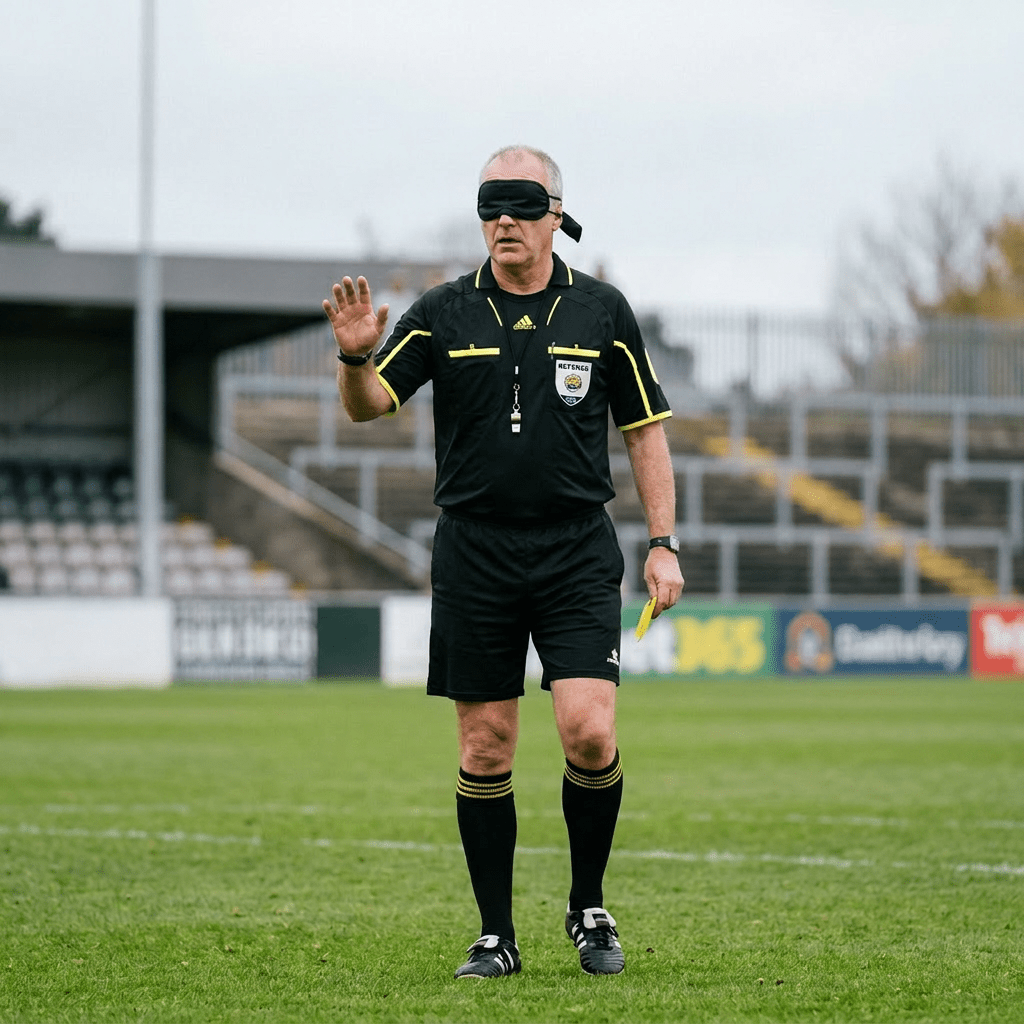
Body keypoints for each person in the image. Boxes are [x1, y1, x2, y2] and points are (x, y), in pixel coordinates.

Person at [323, 145, 684, 979]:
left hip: (575, 548)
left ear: (557, 213)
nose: (504, 220)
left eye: (521, 203)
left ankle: (588, 906)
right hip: (475, 553)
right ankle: (496, 935)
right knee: (486, 745)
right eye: (490, 205)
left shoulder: (601, 310)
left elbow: (645, 431)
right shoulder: (444, 311)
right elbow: (370, 406)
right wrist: (353, 357)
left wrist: (663, 543)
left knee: (589, 730)